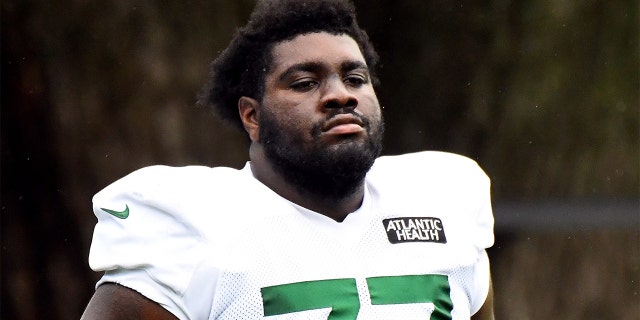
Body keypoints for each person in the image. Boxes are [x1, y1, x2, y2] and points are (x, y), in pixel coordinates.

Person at [81, 0, 495, 319]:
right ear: (252, 116)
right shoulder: (192, 229)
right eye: (305, 82)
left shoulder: (444, 199)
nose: (340, 95)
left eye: (355, 78)